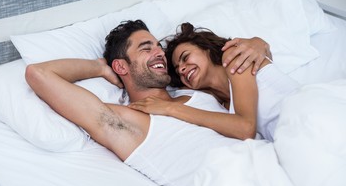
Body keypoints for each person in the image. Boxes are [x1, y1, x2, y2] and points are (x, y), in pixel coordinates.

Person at [25, 20, 270, 186]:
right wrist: (99, 67)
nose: (160, 53)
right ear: (121, 67)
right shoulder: (126, 120)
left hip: (270, 160)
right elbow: (39, 73)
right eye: (146, 48)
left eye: (158, 47)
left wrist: (260, 43)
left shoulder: (197, 90)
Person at [128, 22, 300, 141]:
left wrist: (171, 109)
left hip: (308, 115)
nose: (181, 69)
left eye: (185, 57)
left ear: (206, 49)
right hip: (291, 137)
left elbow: (246, 128)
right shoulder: (219, 101)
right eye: (178, 69)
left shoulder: (234, 57)